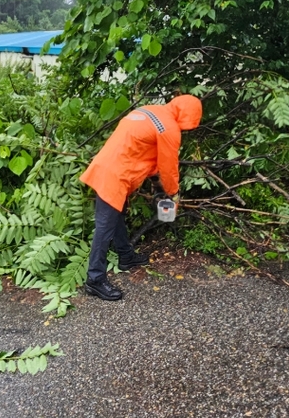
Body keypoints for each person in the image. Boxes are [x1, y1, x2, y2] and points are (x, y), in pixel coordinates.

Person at [79, 95, 203, 301]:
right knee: (104, 226)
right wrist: (172, 194)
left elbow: (145, 149)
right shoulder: (169, 128)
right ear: (188, 116)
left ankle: (126, 256)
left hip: (107, 166)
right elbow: (169, 167)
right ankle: (95, 279)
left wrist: (155, 184)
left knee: (116, 215)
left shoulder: (149, 110)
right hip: (116, 176)